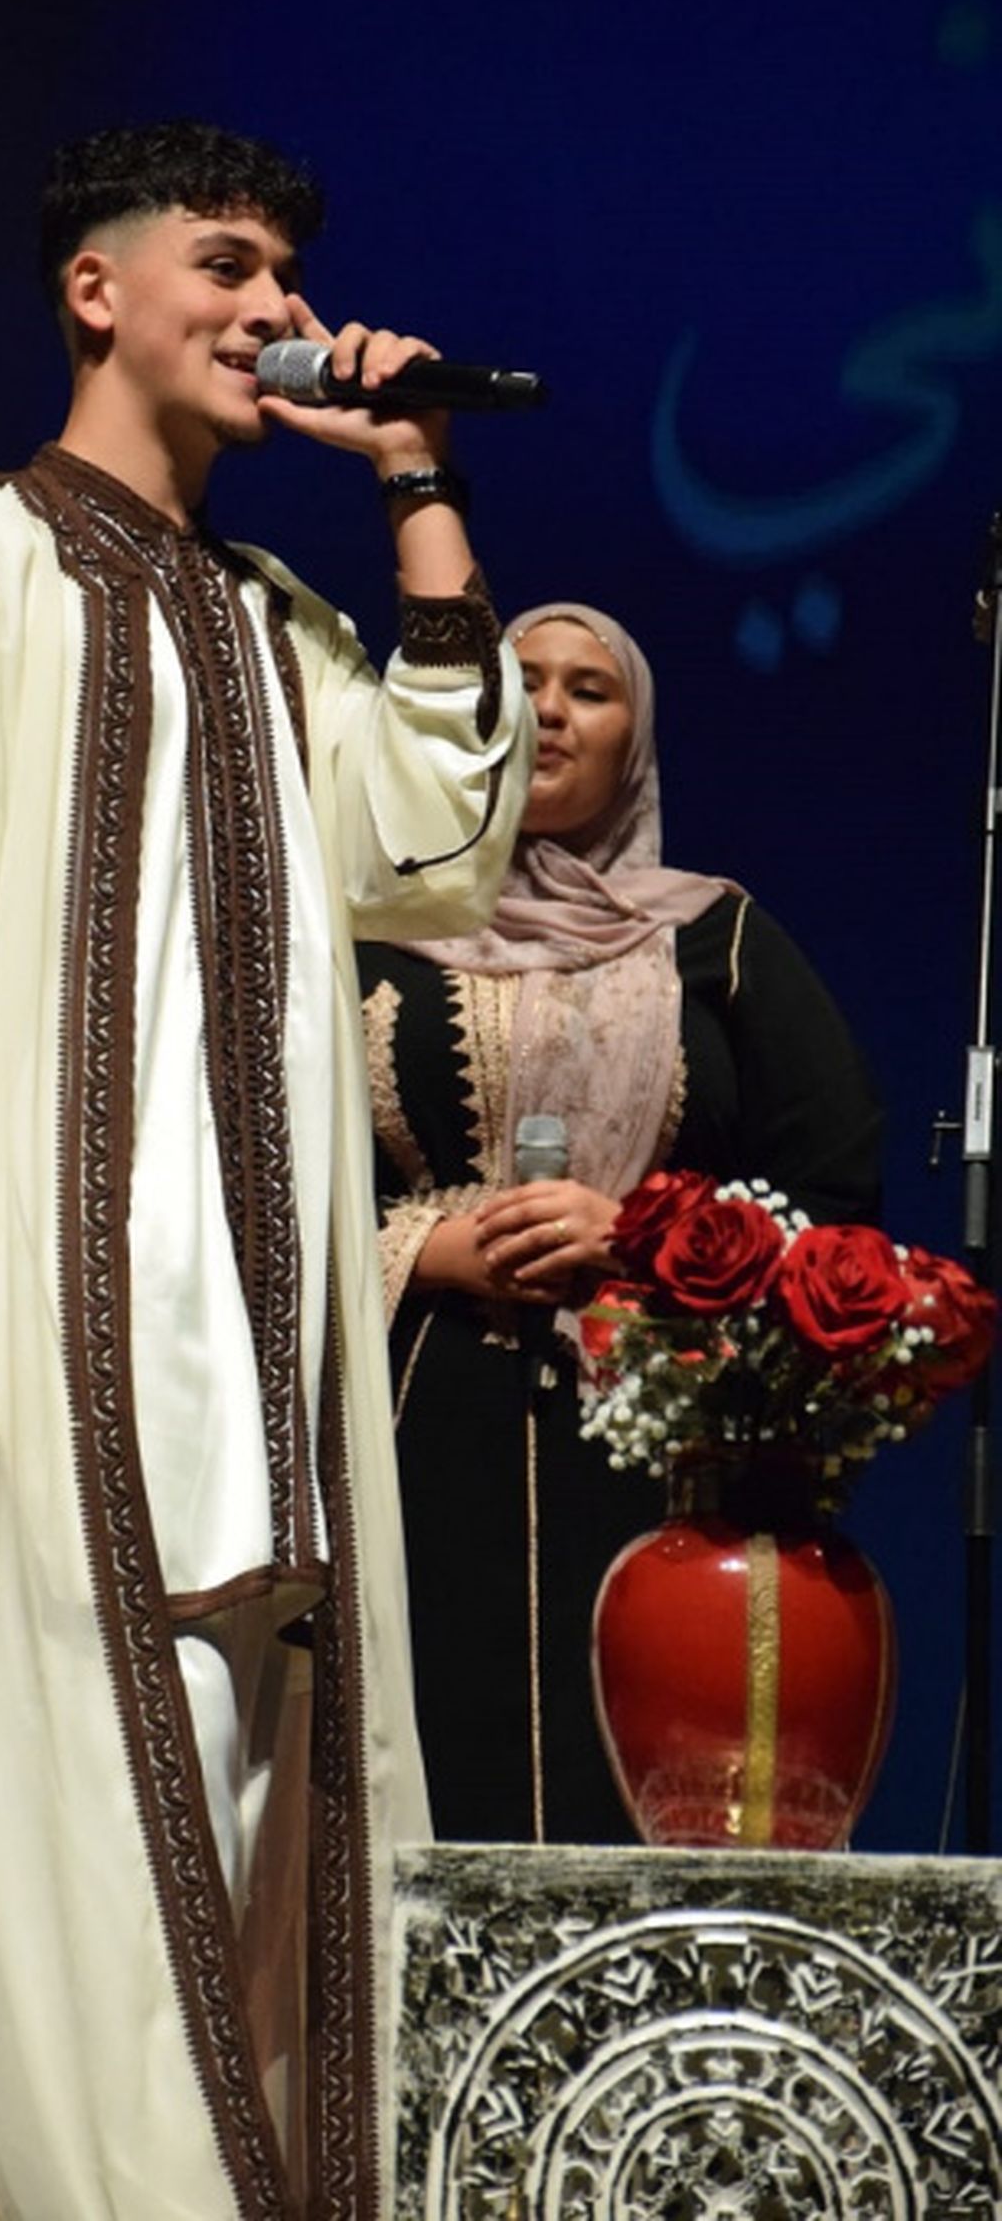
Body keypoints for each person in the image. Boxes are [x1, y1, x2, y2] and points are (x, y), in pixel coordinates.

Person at [0, 120, 533, 2219]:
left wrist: (407, 479)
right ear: (92, 291)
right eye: (226, 266)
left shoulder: (265, 611)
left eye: (292, 280)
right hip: (53, 1329)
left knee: (248, 1877)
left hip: (264, 1362)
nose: (276, 311)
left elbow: (437, 844)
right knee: (69, 1874)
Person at [357, 602, 882, 1845]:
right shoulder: (376, 932)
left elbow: (838, 1196)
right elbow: (259, 1171)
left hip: (658, 1444)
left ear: (634, 737)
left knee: (633, 1789)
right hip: (408, 1425)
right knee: (423, 1766)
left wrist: (641, 1234)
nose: (547, 710)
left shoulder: (715, 935)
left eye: (588, 689)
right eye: (519, 681)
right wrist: (431, 1247)